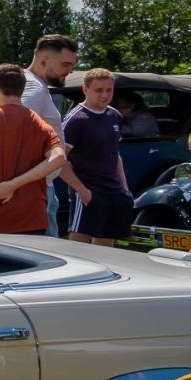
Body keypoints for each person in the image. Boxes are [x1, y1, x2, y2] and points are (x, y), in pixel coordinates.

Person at [0, 64, 67, 235]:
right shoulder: (39, 122)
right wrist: (14, 184)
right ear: (21, 88)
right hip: (33, 217)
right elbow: (59, 158)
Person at [60, 68, 135, 247]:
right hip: (89, 189)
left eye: (109, 90)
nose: (104, 95)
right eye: (99, 90)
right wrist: (81, 190)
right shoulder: (76, 119)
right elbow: (59, 161)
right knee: (80, 244)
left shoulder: (114, 115)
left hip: (113, 189)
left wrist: (124, 188)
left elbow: (115, 154)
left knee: (106, 242)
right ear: (86, 90)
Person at [22, 34, 79, 237]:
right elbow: (13, 125)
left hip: (40, 185)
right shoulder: (34, 88)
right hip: (37, 188)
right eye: (65, 64)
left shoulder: (32, 84)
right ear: (44, 60)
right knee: (47, 257)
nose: (70, 71)